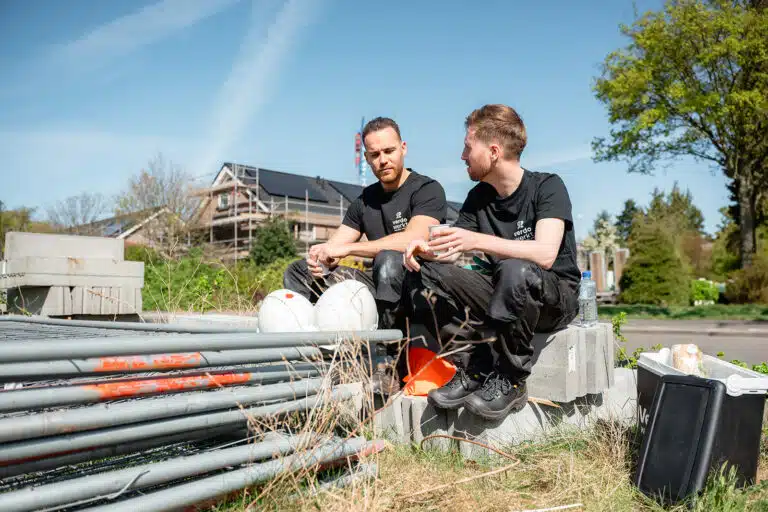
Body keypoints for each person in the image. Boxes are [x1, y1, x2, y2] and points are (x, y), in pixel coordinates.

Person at [402, 104, 580, 420]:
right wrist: (424, 251)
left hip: (553, 300)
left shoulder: (547, 186)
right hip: (505, 292)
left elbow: (546, 254)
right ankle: (475, 367)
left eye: (468, 147)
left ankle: (512, 380)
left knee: (515, 267)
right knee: (425, 272)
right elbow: (452, 252)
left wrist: (477, 241)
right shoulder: (478, 197)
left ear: (493, 151)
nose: (462, 156)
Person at [283, 117, 448, 391]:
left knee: (388, 260)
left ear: (403, 148)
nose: (382, 160)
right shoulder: (364, 200)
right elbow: (336, 245)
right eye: (374, 155)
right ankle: (320, 354)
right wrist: (321, 258)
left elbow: (414, 238)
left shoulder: (427, 189)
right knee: (298, 271)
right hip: (382, 287)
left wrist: (348, 248)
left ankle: (388, 362)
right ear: (367, 158)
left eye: (389, 151)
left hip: (420, 288)